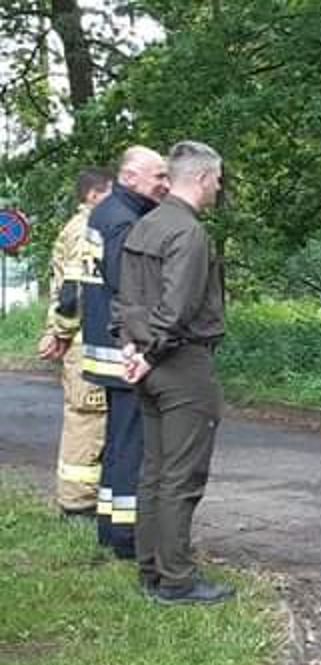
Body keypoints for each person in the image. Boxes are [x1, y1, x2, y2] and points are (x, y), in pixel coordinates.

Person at [114, 141, 229, 604]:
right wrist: (153, 351)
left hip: (145, 359)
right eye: (217, 179)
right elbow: (177, 306)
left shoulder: (144, 225)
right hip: (180, 363)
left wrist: (129, 346)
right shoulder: (188, 232)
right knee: (182, 476)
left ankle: (151, 570)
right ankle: (177, 579)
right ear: (202, 178)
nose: (219, 188)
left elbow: (125, 297)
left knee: (154, 472)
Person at [80, 146, 168, 559]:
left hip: (105, 346)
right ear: (130, 177)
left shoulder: (108, 212)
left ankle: (110, 526)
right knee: (132, 444)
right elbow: (127, 283)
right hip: (121, 351)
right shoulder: (123, 220)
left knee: (119, 442)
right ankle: (127, 537)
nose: (165, 185)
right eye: (158, 177)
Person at [39, 167, 112, 517]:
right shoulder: (87, 229)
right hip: (84, 344)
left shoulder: (76, 226)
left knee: (88, 419)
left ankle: (83, 500)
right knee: (87, 420)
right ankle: (77, 504)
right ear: (94, 195)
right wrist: (62, 333)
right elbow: (73, 291)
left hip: (79, 341)